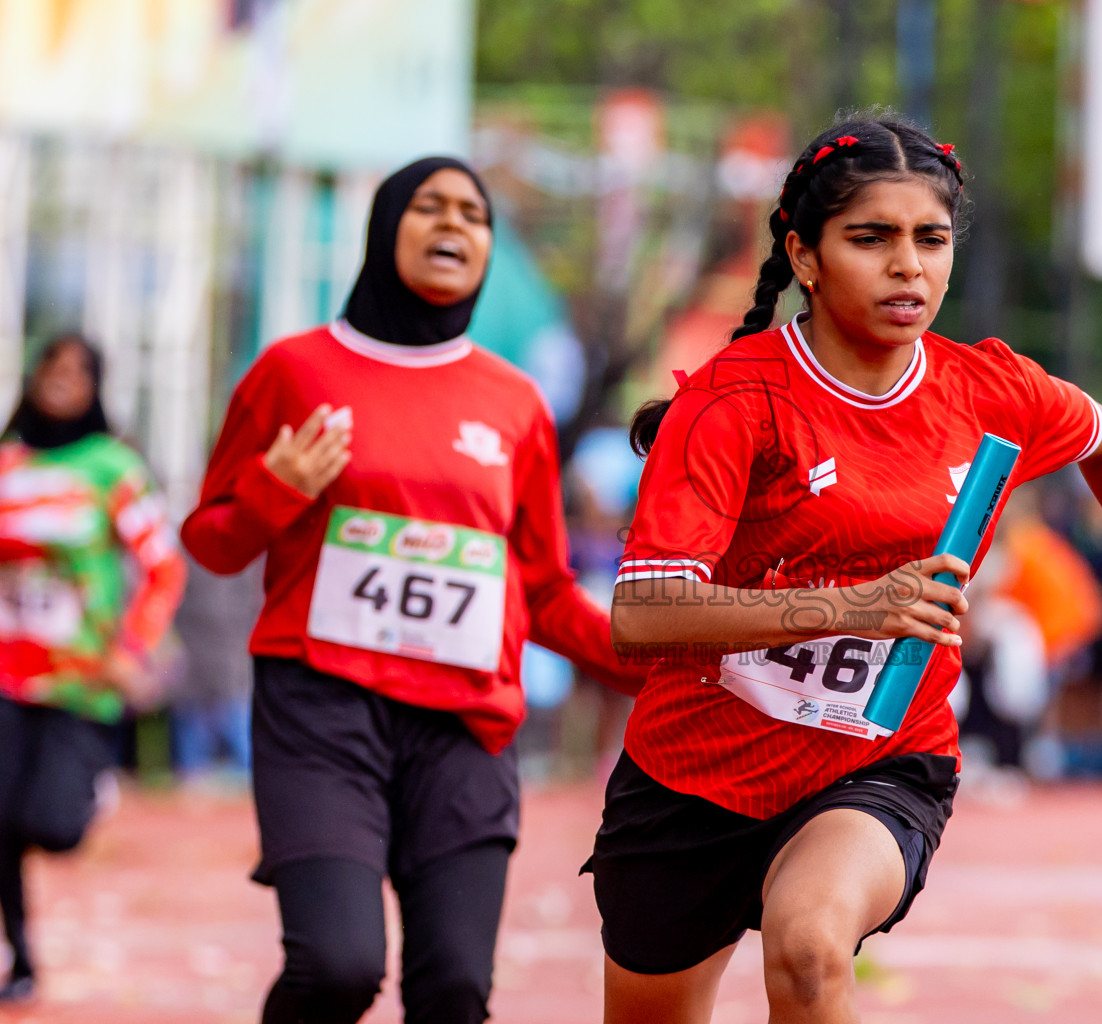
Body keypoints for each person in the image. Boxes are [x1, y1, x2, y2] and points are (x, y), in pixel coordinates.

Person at [588, 113, 1102, 1024]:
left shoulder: (988, 389)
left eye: (932, 239)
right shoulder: (734, 400)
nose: (908, 265)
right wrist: (853, 606)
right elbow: (642, 612)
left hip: (877, 760)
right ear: (805, 255)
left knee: (807, 949)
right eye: (871, 238)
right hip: (694, 777)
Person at [181, 157, 647, 1024]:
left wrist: (657, 673)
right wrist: (274, 490)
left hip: (464, 726)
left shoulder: (514, 404)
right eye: (428, 207)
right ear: (385, 224)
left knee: (455, 990)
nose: (453, 225)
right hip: (322, 711)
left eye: (474, 214)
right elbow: (210, 543)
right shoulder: (295, 372)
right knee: (337, 966)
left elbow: (542, 589)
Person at [0, 333, 186, 1003]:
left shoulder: (113, 468)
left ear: (95, 386)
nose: (62, 377)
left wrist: (131, 649)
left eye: (79, 370)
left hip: (82, 679)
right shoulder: (6, 464)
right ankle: (20, 958)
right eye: (53, 364)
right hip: (7, 676)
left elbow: (164, 568)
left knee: (50, 826)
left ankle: (88, 787)